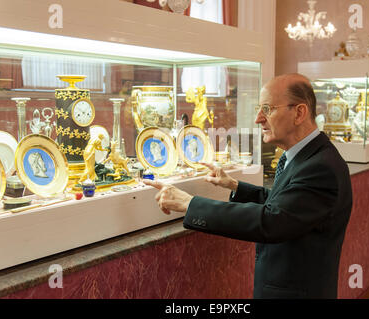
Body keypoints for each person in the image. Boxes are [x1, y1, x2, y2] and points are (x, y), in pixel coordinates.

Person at [144, 73, 353, 299]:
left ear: (299, 113)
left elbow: (273, 221)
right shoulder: (309, 157)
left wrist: (189, 203)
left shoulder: (320, 168)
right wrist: (235, 185)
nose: (258, 118)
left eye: (267, 108)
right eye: (258, 108)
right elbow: (287, 204)